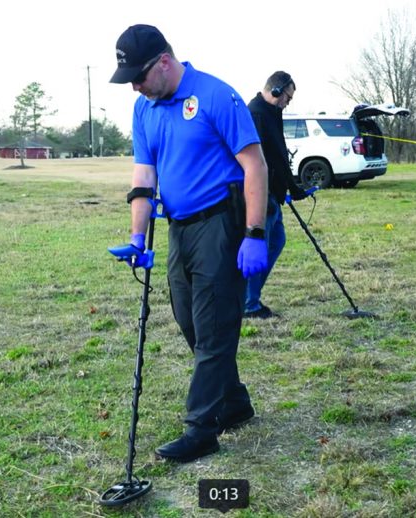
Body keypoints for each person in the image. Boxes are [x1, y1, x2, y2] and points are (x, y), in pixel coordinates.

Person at [108, 24, 269, 463]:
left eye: (139, 77)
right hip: (179, 228)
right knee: (191, 324)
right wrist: (137, 236)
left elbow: (255, 165)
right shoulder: (146, 108)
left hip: (221, 224)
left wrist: (256, 234)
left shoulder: (216, 96)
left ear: (164, 61)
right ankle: (234, 403)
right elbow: (144, 177)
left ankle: (202, 429)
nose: (135, 87)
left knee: (214, 327)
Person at [244, 71, 309, 319]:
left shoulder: (272, 113)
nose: (287, 102)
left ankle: (249, 298)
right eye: (287, 97)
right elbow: (259, 161)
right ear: (276, 91)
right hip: (264, 193)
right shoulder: (257, 114)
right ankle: (249, 304)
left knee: (277, 241)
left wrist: (292, 187)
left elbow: (278, 155)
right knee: (259, 248)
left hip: (274, 192)